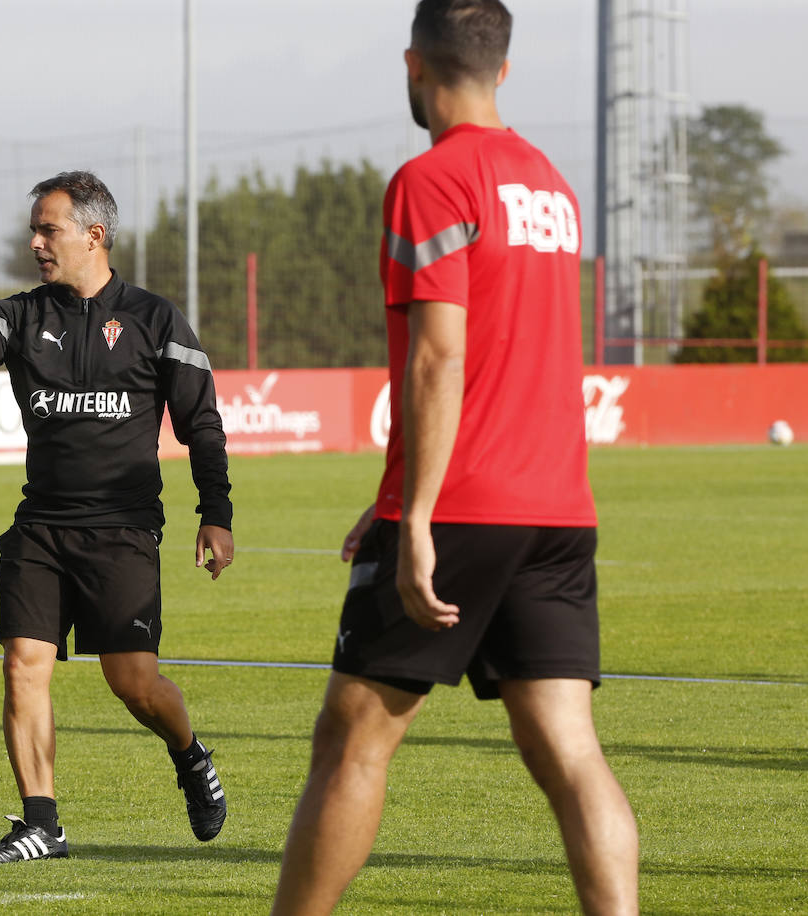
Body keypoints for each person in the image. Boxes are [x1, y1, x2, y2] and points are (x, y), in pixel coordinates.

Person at [271, 2, 639, 914]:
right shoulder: (552, 185)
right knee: (568, 747)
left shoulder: (431, 180)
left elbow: (442, 356)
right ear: (503, 70)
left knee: (354, 738)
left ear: (412, 66)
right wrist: (391, 491)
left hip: (464, 506)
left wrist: (419, 515)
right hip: (557, 508)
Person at [0, 171, 234, 863]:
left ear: (94, 235)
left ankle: (189, 753)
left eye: (48, 229)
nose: (35, 242)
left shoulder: (156, 320)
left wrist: (217, 513)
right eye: (35, 229)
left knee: (135, 684)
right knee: (24, 664)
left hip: (123, 530)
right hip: (41, 529)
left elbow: (201, 424)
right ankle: (41, 823)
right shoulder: (22, 314)